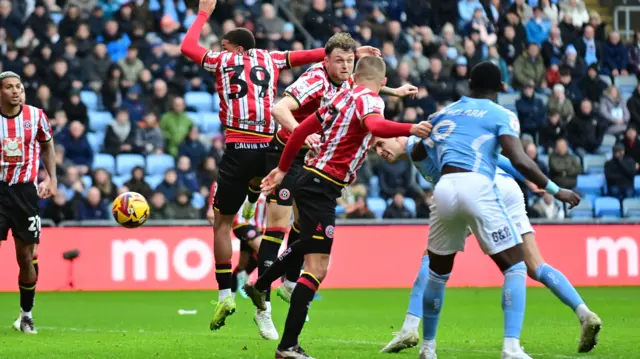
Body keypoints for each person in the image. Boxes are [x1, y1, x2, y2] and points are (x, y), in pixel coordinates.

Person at [244, 56, 432, 358]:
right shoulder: (371, 101)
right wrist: (410, 128)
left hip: (308, 177)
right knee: (317, 268)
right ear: (382, 83)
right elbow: (374, 123)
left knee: (308, 244)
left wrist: (281, 169)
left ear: (355, 75)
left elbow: (303, 128)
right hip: (322, 186)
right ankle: (287, 346)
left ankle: (260, 284)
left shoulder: (342, 96)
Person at [180, 0, 334, 331]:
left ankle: (224, 294)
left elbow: (187, 47)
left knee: (221, 222)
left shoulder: (222, 60)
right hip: (271, 146)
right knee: (285, 216)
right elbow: (312, 55)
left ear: (235, 47)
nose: (220, 47)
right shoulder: (272, 59)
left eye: (224, 44)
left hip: (238, 145)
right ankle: (280, 268)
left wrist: (204, 12)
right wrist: (344, 52)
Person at [413, 62, 581, 359]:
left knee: (438, 275)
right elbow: (518, 159)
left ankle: (427, 348)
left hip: (443, 188)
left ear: (468, 83)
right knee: (516, 266)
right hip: (477, 185)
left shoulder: (442, 113)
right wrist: (556, 189)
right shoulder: (502, 114)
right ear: (502, 87)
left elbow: (416, 151)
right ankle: (511, 347)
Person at [371, 136, 599, 354]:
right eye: (375, 149)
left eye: (381, 143)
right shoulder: (424, 146)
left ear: (397, 135)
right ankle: (584, 313)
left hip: (480, 191)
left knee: (433, 259)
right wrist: (528, 178)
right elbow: (496, 158)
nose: (380, 151)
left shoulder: (423, 142)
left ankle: (411, 329)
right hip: (507, 187)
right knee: (535, 265)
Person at [0, 72, 57, 334]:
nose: (15, 91)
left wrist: (52, 180)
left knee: (26, 256)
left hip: (25, 193)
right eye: (9, 87)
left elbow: (47, 146)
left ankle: (26, 316)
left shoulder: (35, 116)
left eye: (19, 87)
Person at [207, 181, 267, 300]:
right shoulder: (238, 177)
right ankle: (259, 286)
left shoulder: (266, 180)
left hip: (260, 227)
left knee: (242, 264)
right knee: (264, 249)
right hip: (241, 223)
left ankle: (230, 297)